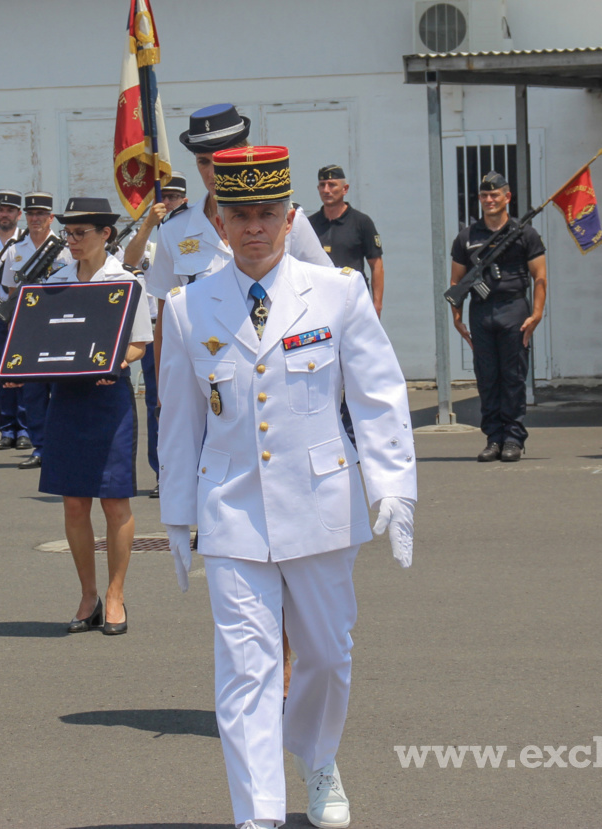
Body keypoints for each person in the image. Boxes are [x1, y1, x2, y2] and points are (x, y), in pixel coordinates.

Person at [157, 145, 417, 829]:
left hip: (322, 507)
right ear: (219, 221)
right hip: (232, 509)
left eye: (267, 214)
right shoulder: (188, 308)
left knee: (328, 657)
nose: (253, 228)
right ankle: (259, 814)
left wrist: (394, 484)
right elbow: (178, 425)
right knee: (247, 669)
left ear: (289, 216)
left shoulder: (336, 291)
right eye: (239, 215)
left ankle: (317, 753)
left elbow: (379, 394)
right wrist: (177, 514)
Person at [147, 105, 333, 377]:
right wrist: (166, 397)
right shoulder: (175, 231)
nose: (212, 173)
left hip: (283, 371)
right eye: (203, 162)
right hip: (208, 376)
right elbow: (165, 325)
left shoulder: (286, 220)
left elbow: (327, 294)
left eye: (220, 159)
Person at [40, 197, 153, 635]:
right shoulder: (57, 281)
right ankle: (87, 594)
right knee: (73, 501)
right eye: (68, 233)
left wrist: (111, 362)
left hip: (108, 397)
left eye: (80, 233)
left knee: (115, 500)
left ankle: (116, 593)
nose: (72, 241)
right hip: (68, 397)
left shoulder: (126, 282)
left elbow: (140, 344)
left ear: (106, 235)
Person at [448, 171, 547, 463]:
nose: (489, 200)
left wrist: (537, 312)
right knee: (487, 378)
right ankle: (494, 438)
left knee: (513, 377)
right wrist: (456, 317)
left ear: (507, 197)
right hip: (481, 311)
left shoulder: (524, 233)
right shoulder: (467, 237)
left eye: (495, 195)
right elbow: (456, 283)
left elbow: (539, 276)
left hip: (514, 308)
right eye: (484, 196)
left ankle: (514, 438)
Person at [122, 174, 189, 497]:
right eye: (165, 197)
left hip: (190, 328)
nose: (170, 202)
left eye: (175, 197)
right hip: (153, 328)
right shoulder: (146, 237)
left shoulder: (192, 232)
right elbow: (128, 261)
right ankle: (164, 471)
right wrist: (148, 224)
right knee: (157, 402)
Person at [0, 192, 74, 470]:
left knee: (62, 391)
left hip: (60, 328)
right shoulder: (15, 250)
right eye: (31, 214)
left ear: (51, 217)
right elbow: (10, 292)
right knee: (33, 393)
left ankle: (62, 444)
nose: (35, 219)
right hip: (30, 330)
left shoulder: (65, 248)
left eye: (41, 214)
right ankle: (41, 447)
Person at [309, 164, 385, 316]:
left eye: (332, 185)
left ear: (345, 189)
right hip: (319, 302)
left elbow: (377, 266)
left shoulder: (361, 223)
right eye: (322, 185)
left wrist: (377, 305)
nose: (326, 190)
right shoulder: (309, 224)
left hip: (353, 302)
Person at [0, 189, 28, 452]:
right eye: (1, 209)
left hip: (21, 313)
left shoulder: (26, 242)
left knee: (22, 369)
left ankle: (24, 428)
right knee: (0, 371)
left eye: (10, 210)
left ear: (18, 214)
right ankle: (6, 429)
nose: (5, 214)